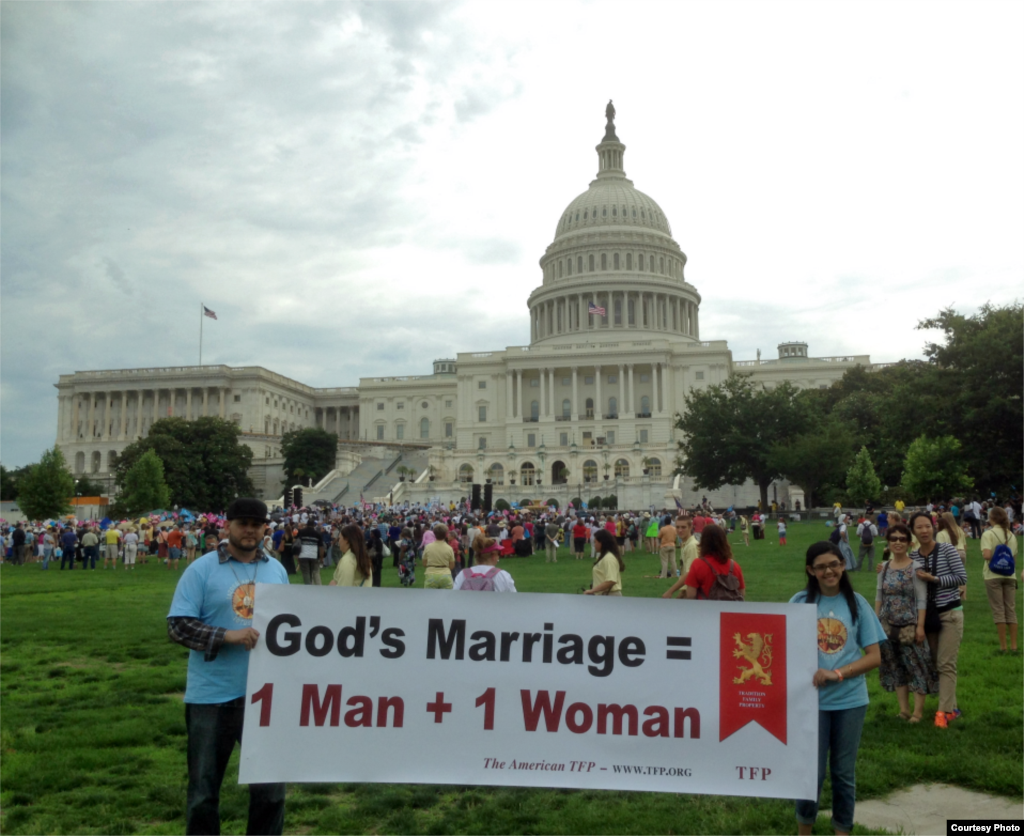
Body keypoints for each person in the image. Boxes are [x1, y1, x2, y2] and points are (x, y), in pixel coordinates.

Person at [167, 498, 288, 836]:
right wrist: (226, 636)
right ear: (227, 526)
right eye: (242, 523)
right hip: (212, 695)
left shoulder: (276, 570)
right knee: (204, 792)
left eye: (256, 523)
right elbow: (177, 625)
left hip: (264, 695)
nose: (249, 530)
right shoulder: (202, 569)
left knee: (270, 792)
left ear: (265, 527)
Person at [792, 541, 885, 836]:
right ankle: (804, 830)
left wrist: (838, 673)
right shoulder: (799, 603)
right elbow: (781, 648)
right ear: (811, 570)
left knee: (843, 774)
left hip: (850, 701)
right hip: (810, 703)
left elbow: (875, 656)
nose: (829, 571)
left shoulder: (856, 603)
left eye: (834, 564)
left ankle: (842, 830)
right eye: (821, 566)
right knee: (811, 774)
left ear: (843, 565)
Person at [909, 511, 967, 727]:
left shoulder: (947, 550)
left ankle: (943, 713)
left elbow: (962, 578)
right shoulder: (913, 557)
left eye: (927, 526)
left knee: (946, 663)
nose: (924, 531)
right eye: (919, 527)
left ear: (933, 527)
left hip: (950, 612)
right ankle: (952, 707)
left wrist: (934, 579)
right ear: (913, 531)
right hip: (927, 616)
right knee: (934, 662)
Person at [874, 523, 937, 722]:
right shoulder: (883, 567)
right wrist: (875, 622)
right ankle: (904, 710)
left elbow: (921, 598)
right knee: (895, 666)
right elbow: (879, 594)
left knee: (917, 666)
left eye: (902, 539)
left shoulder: (915, 568)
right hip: (888, 625)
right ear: (888, 543)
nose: (898, 543)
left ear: (909, 543)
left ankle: (918, 712)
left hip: (909, 626)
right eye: (894, 539)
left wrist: (920, 626)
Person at [981, 506, 1018, 653]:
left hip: (992, 575)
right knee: (1010, 608)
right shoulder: (1011, 535)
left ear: (992, 519)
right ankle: (1014, 646)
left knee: (998, 609)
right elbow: (1014, 558)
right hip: (1010, 575)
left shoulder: (988, 534)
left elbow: (987, 555)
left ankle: (1003, 647)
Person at [680, 524, 744, 600]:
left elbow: (691, 594)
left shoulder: (697, 564)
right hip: (728, 610)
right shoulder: (734, 566)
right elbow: (741, 593)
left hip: (704, 609)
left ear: (703, 541)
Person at [454, 536, 518, 591]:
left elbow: (455, 596)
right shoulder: (502, 575)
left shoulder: (462, 574)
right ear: (493, 556)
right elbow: (513, 599)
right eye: (498, 554)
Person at [662, 518, 699, 599]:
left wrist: (670, 591)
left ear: (690, 527)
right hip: (687, 589)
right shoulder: (685, 544)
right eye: (677, 527)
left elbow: (690, 574)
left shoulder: (692, 546)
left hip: (692, 592)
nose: (680, 530)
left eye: (683, 527)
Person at [584, 529, 624, 596]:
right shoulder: (604, 557)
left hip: (610, 596)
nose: (594, 545)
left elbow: (611, 580)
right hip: (604, 595)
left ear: (602, 543)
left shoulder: (609, 559)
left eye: (595, 542)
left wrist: (592, 590)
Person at [422, 524, 455, 589]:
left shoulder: (428, 547)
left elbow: (424, 563)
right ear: (446, 534)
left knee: (430, 597)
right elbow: (452, 566)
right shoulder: (449, 548)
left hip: (431, 574)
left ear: (434, 534)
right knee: (447, 597)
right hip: (445, 574)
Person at [296, 519, 322, 585]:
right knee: (313, 571)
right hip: (314, 555)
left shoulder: (301, 531)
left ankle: (308, 586)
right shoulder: (317, 533)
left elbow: (296, 542)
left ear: (307, 524)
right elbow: (321, 547)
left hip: (303, 554)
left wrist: (296, 555)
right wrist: (321, 558)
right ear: (314, 525)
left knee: (306, 572)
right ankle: (314, 585)